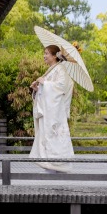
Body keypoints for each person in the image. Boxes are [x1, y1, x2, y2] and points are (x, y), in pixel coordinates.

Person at [29, 44, 75, 172]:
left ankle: (59, 164)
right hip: (47, 110)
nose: (44, 56)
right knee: (46, 135)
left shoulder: (60, 69)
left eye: (47, 53)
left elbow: (61, 87)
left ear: (55, 56)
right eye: (44, 53)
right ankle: (48, 163)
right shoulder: (51, 70)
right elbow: (45, 92)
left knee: (55, 135)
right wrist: (36, 89)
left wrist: (45, 83)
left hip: (55, 112)